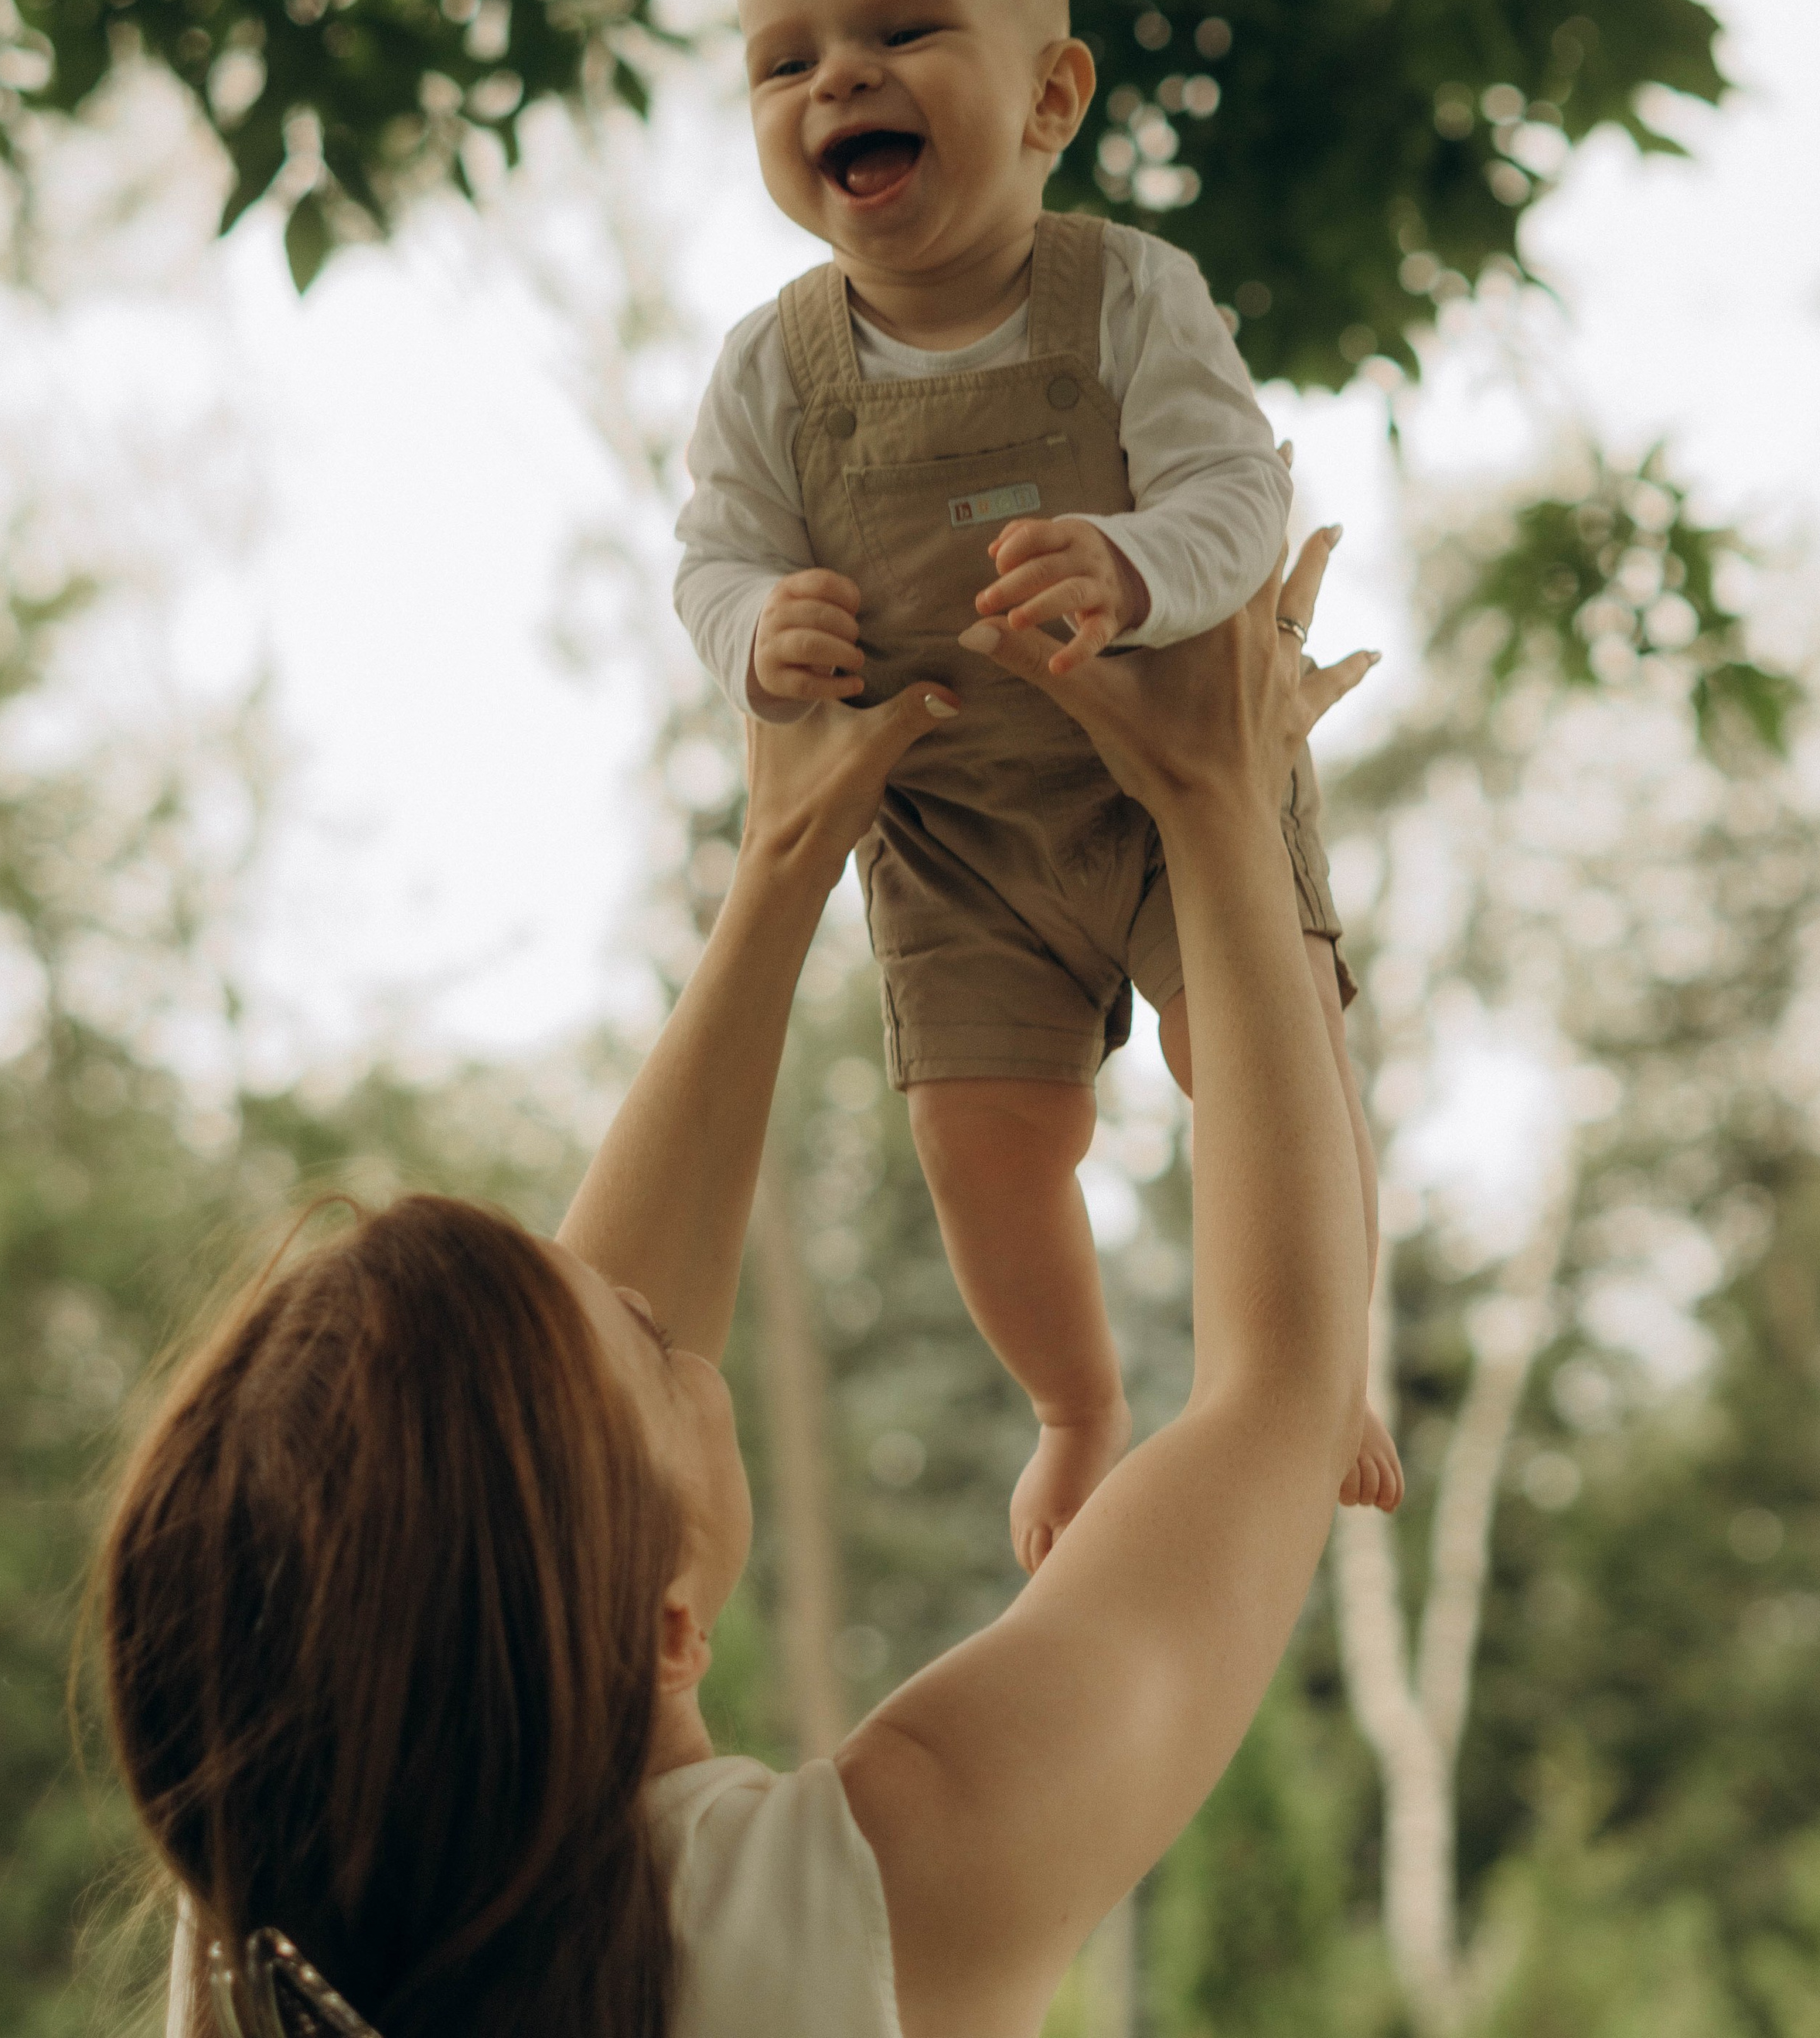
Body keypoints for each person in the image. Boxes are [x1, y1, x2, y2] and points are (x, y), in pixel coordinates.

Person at [101, 541, 1375, 2038]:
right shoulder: (869, 1910)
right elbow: (1279, 1394)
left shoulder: (258, 1929)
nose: (646, 1293)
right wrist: (1222, 795)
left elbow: (513, 1524)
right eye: (650, 1346)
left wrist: (786, 858)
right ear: (661, 1630)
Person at [675, 0, 1399, 1563]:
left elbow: (1234, 490)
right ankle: (1074, 1406)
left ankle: (1309, 1365)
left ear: (1047, 95)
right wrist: (752, 631)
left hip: (1168, 789)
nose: (834, 80)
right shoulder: (770, 370)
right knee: (979, 1139)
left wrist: (1138, 567)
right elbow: (712, 557)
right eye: (783, 65)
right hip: (952, 831)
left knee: (1268, 1057)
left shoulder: (1128, 294)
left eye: (899, 32)